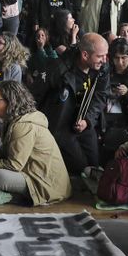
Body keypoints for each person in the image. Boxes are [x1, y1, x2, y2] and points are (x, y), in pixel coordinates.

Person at [0, 81, 70, 206]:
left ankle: (15, 197)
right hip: (31, 173)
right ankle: (8, 194)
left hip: (47, 184)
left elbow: (14, 165)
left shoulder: (23, 126)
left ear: (11, 101)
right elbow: (5, 153)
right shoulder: (14, 121)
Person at [37, 33, 109, 175]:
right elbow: (36, 95)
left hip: (84, 121)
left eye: (106, 55)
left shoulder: (102, 67)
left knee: (94, 164)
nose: (104, 60)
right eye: (100, 56)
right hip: (60, 125)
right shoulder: (58, 69)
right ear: (85, 55)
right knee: (80, 166)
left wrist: (88, 120)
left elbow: (102, 95)